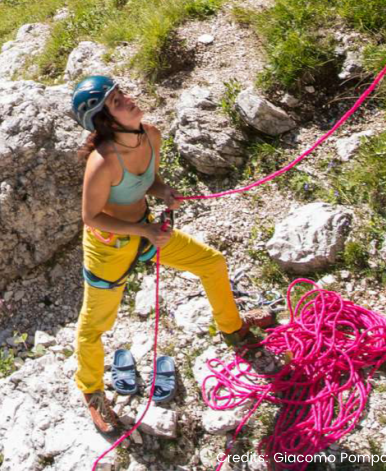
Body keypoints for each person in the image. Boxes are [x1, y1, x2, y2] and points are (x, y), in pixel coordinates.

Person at [71, 74, 274, 434]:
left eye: (123, 94)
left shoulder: (151, 135)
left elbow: (146, 179)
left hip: (147, 231)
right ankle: (92, 392)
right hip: (109, 247)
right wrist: (145, 231)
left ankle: (233, 330)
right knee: (94, 325)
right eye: (117, 102)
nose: (129, 100)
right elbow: (91, 215)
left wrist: (163, 191)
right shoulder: (103, 161)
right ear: (107, 120)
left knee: (211, 262)